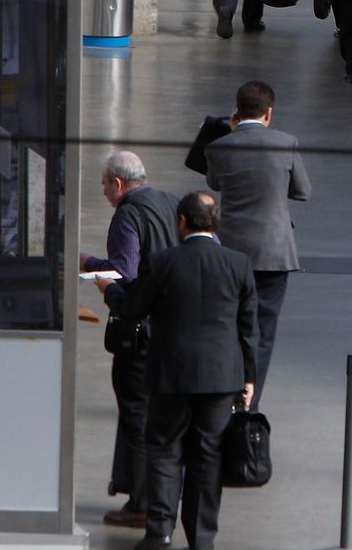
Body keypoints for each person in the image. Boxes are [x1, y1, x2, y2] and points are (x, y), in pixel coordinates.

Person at [96, 191, 256, 550]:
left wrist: (108, 289)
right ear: (214, 223)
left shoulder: (163, 262)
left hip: (170, 374)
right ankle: (201, 539)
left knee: (165, 451)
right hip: (219, 378)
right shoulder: (239, 263)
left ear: (182, 222)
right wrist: (249, 377)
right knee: (207, 454)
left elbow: (133, 308)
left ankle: (160, 532)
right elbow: (248, 327)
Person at [79, 151, 180, 532]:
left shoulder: (126, 215)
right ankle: (161, 496)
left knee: (136, 416)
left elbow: (125, 274)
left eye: (105, 184)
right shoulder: (171, 203)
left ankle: (141, 503)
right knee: (164, 419)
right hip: (174, 331)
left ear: (118, 183)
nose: (104, 192)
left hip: (140, 336)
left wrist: (90, 265)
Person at [203, 80, 310, 406]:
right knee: (262, 330)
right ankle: (250, 399)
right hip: (274, 253)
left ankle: (221, 392)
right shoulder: (286, 143)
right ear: (269, 112)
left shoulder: (219, 146)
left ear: (236, 112)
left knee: (228, 323)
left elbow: (214, 182)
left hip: (231, 251)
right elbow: (303, 191)